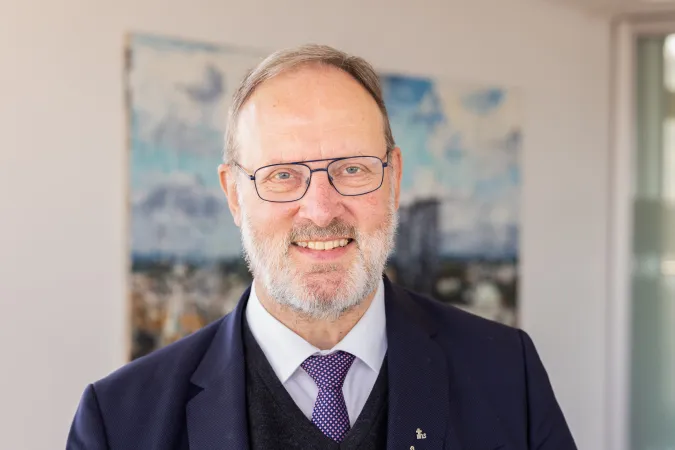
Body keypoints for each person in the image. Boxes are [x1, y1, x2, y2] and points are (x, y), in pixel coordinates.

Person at [67, 44, 577, 449]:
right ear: (234, 195)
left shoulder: (506, 374)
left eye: (351, 169)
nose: (320, 210)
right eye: (282, 175)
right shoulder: (120, 422)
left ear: (394, 178)